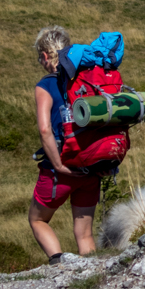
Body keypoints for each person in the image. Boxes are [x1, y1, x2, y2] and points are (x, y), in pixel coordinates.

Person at [28, 25, 101, 264]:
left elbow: (45, 129)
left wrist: (58, 165)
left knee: (37, 219)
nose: (40, 62)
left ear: (46, 56)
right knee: (85, 233)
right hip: (91, 165)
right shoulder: (86, 78)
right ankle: (91, 276)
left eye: (40, 57)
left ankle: (59, 266)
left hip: (61, 169)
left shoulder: (45, 85)